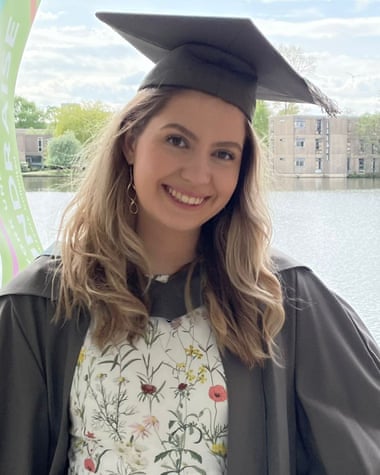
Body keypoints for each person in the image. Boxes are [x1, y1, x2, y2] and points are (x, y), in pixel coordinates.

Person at [0, 11, 379, 475]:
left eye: (224, 153)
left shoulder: (281, 299)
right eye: (177, 140)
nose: (199, 175)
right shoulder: (42, 302)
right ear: (131, 142)